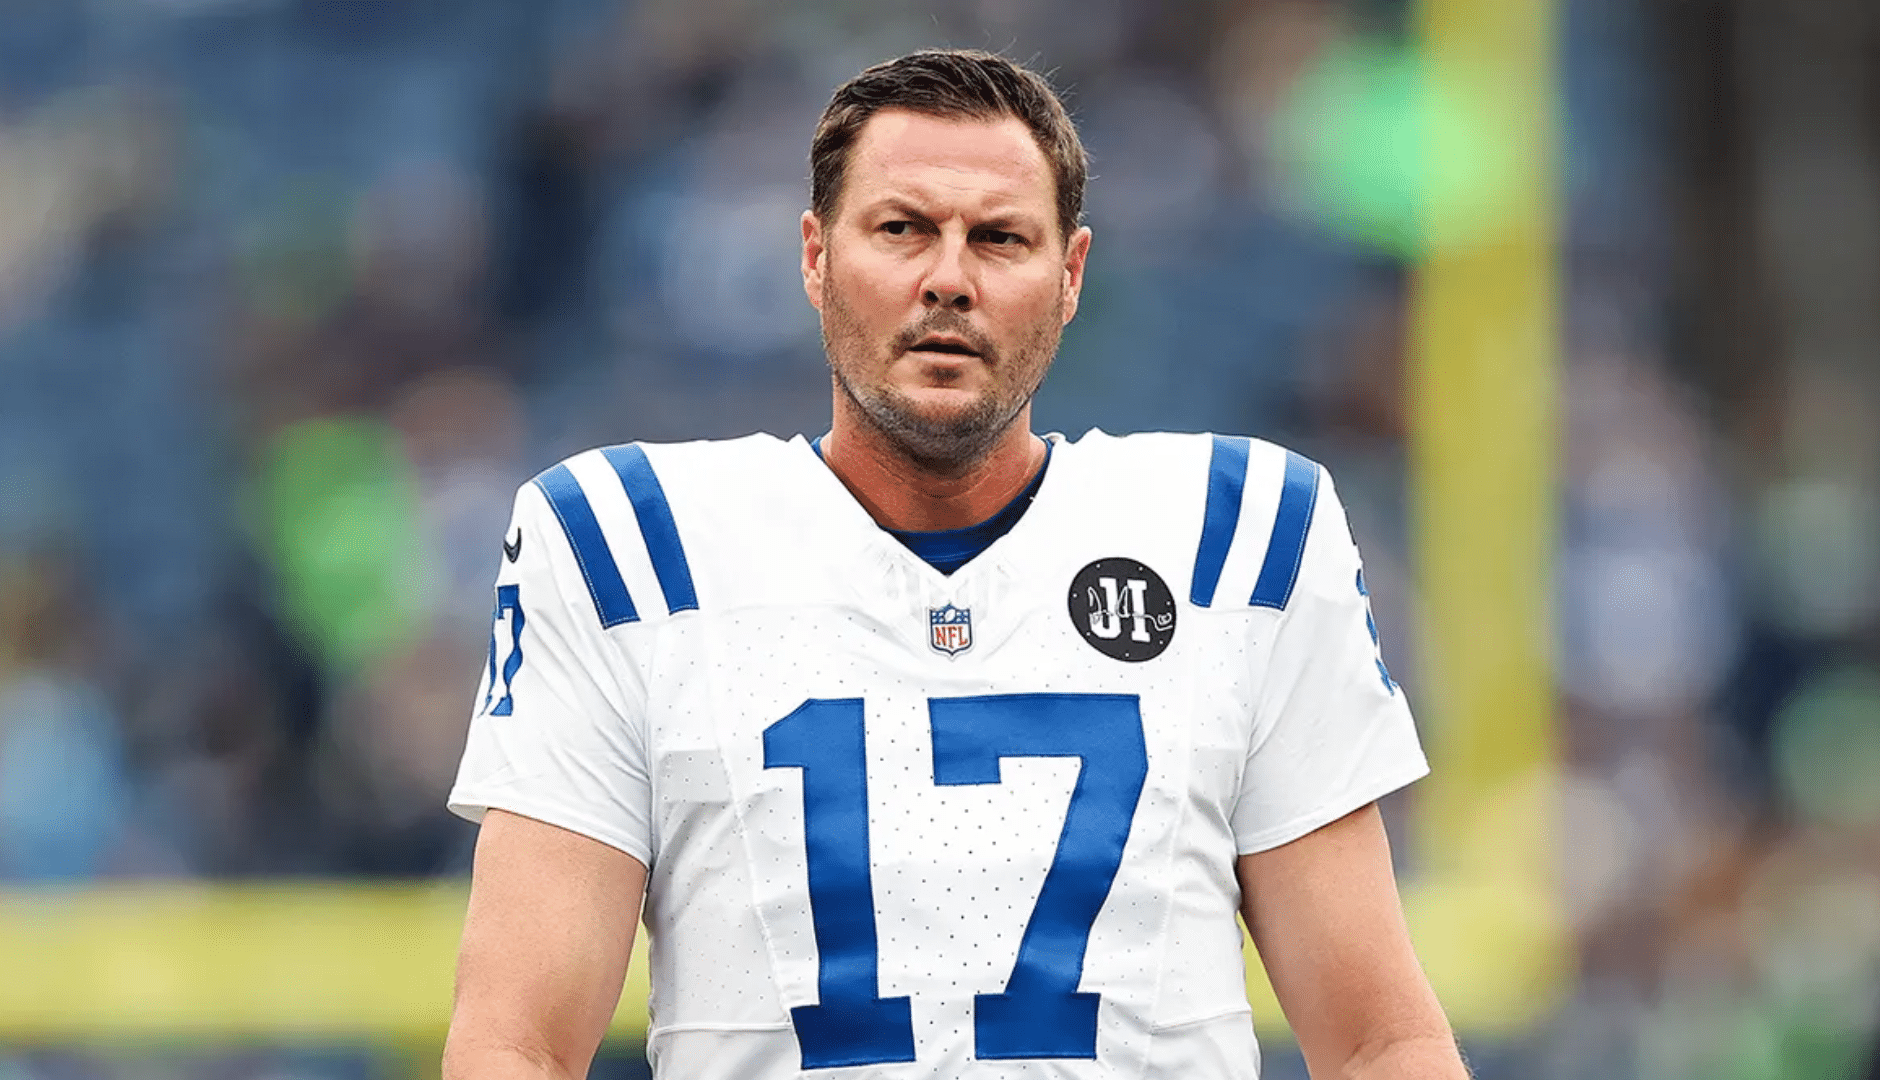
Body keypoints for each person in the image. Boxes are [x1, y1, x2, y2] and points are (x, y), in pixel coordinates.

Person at [442, 49, 1466, 1080]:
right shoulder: (625, 544)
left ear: (1070, 276)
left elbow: (1378, 1040)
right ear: (815, 256)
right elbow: (517, 1044)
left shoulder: (1240, 537)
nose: (947, 279)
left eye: (1000, 238)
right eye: (901, 229)